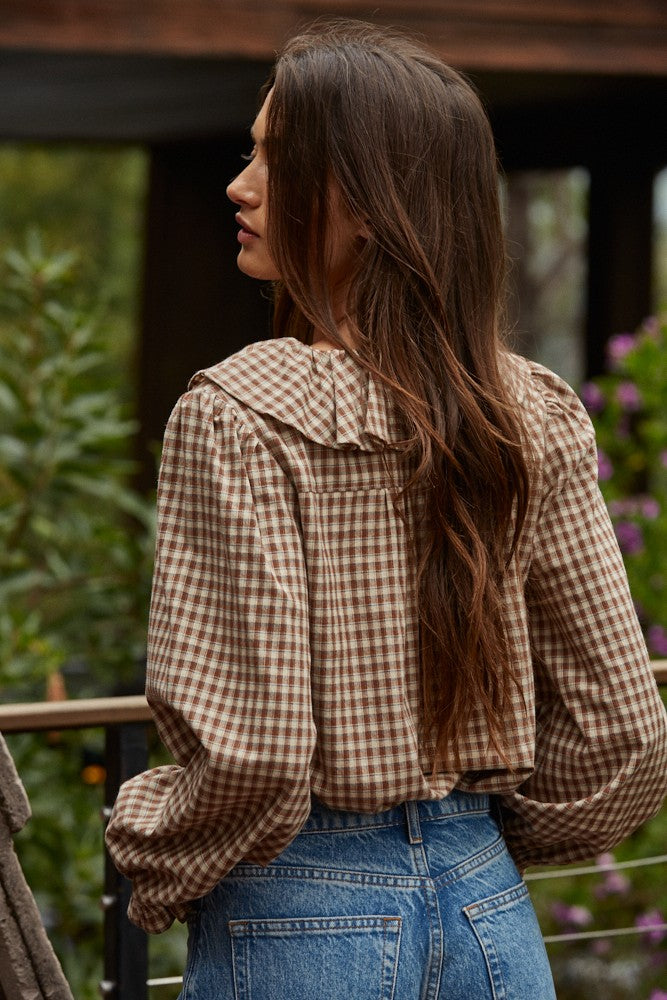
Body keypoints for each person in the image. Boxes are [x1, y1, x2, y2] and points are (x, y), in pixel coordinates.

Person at [105, 20, 667, 999]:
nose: (240, 186)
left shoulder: (237, 411)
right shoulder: (531, 409)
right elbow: (623, 735)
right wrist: (470, 839)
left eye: (276, 160)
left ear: (368, 204)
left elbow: (256, 753)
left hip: (299, 916)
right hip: (489, 910)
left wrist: (146, 846)